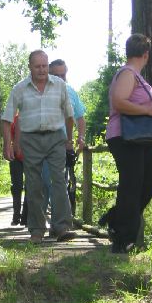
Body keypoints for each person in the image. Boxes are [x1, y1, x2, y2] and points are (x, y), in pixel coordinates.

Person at [2, 50, 76, 244]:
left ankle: (62, 227)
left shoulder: (59, 85)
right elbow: (7, 118)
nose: (42, 70)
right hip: (31, 139)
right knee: (34, 184)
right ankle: (36, 230)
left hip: (55, 137)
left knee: (58, 180)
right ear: (30, 67)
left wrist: (69, 139)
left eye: (44, 66)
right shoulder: (20, 88)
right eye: (37, 66)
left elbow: (69, 115)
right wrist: (8, 144)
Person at [105, 34, 152, 254]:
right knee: (132, 185)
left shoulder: (135, 75)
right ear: (146, 54)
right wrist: (148, 109)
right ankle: (123, 240)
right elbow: (119, 102)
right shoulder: (128, 74)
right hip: (124, 136)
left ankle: (116, 219)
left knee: (149, 182)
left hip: (141, 138)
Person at [42, 59, 86, 217]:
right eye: (57, 75)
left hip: (63, 146)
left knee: (60, 183)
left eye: (63, 75)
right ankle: (41, 221)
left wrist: (80, 137)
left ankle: (59, 222)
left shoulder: (71, 91)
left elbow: (80, 117)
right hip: (43, 144)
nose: (61, 78)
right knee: (45, 183)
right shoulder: (40, 91)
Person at [9, 114, 28, 226]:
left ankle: (25, 217)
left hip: (30, 157)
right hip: (16, 157)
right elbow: (10, 137)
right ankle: (16, 216)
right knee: (17, 186)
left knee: (29, 186)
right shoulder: (15, 119)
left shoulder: (34, 117)